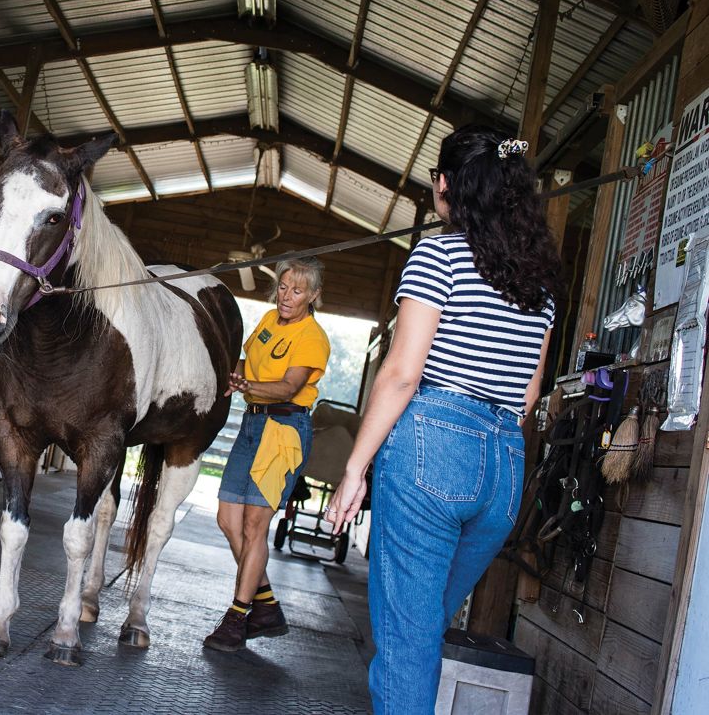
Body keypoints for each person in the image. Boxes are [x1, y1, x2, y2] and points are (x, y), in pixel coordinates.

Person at [325, 125, 560, 714]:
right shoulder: (540, 283)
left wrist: (356, 466)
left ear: (447, 184)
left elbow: (403, 373)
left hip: (435, 447)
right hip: (503, 469)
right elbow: (529, 396)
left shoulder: (440, 253)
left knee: (406, 643)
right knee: (421, 627)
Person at [203, 257, 331, 652]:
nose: (287, 297)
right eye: (283, 287)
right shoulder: (268, 323)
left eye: (297, 290)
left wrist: (245, 384)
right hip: (253, 423)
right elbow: (245, 359)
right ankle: (266, 604)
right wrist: (235, 373)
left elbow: (289, 388)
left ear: (313, 296)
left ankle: (237, 618)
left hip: (284, 429)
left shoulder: (312, 337)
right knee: (228, 518)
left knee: (255, 526)